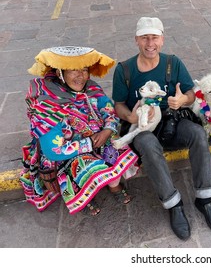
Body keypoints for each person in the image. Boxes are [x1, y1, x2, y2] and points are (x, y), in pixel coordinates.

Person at [112, 17, 211, 240]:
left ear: (162, 39)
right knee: (147, 144)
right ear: (136, 40)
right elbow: (118, 104)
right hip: (143, 125)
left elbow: (192, 93)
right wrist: (131, 115)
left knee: (197, 134)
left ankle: (205, 199)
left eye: (154, 37)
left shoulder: (173, 63)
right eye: (145, 37)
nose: (150, 43)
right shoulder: (124, 70)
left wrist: (182, 99)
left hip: (172, 120)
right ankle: (174, 204)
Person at [20, 46, 139, 216]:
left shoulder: (90, 88)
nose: (81, 76)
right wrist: (89, 143)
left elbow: (108, 110)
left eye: (84, 70)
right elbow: (54, 151)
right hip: (66, 151)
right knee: (84, 166)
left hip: (96, 136)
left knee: (116, 147)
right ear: (60, 73)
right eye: (73, 71)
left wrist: (107, 130)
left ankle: (113, 185)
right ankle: (83, 196)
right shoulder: (47, 105)